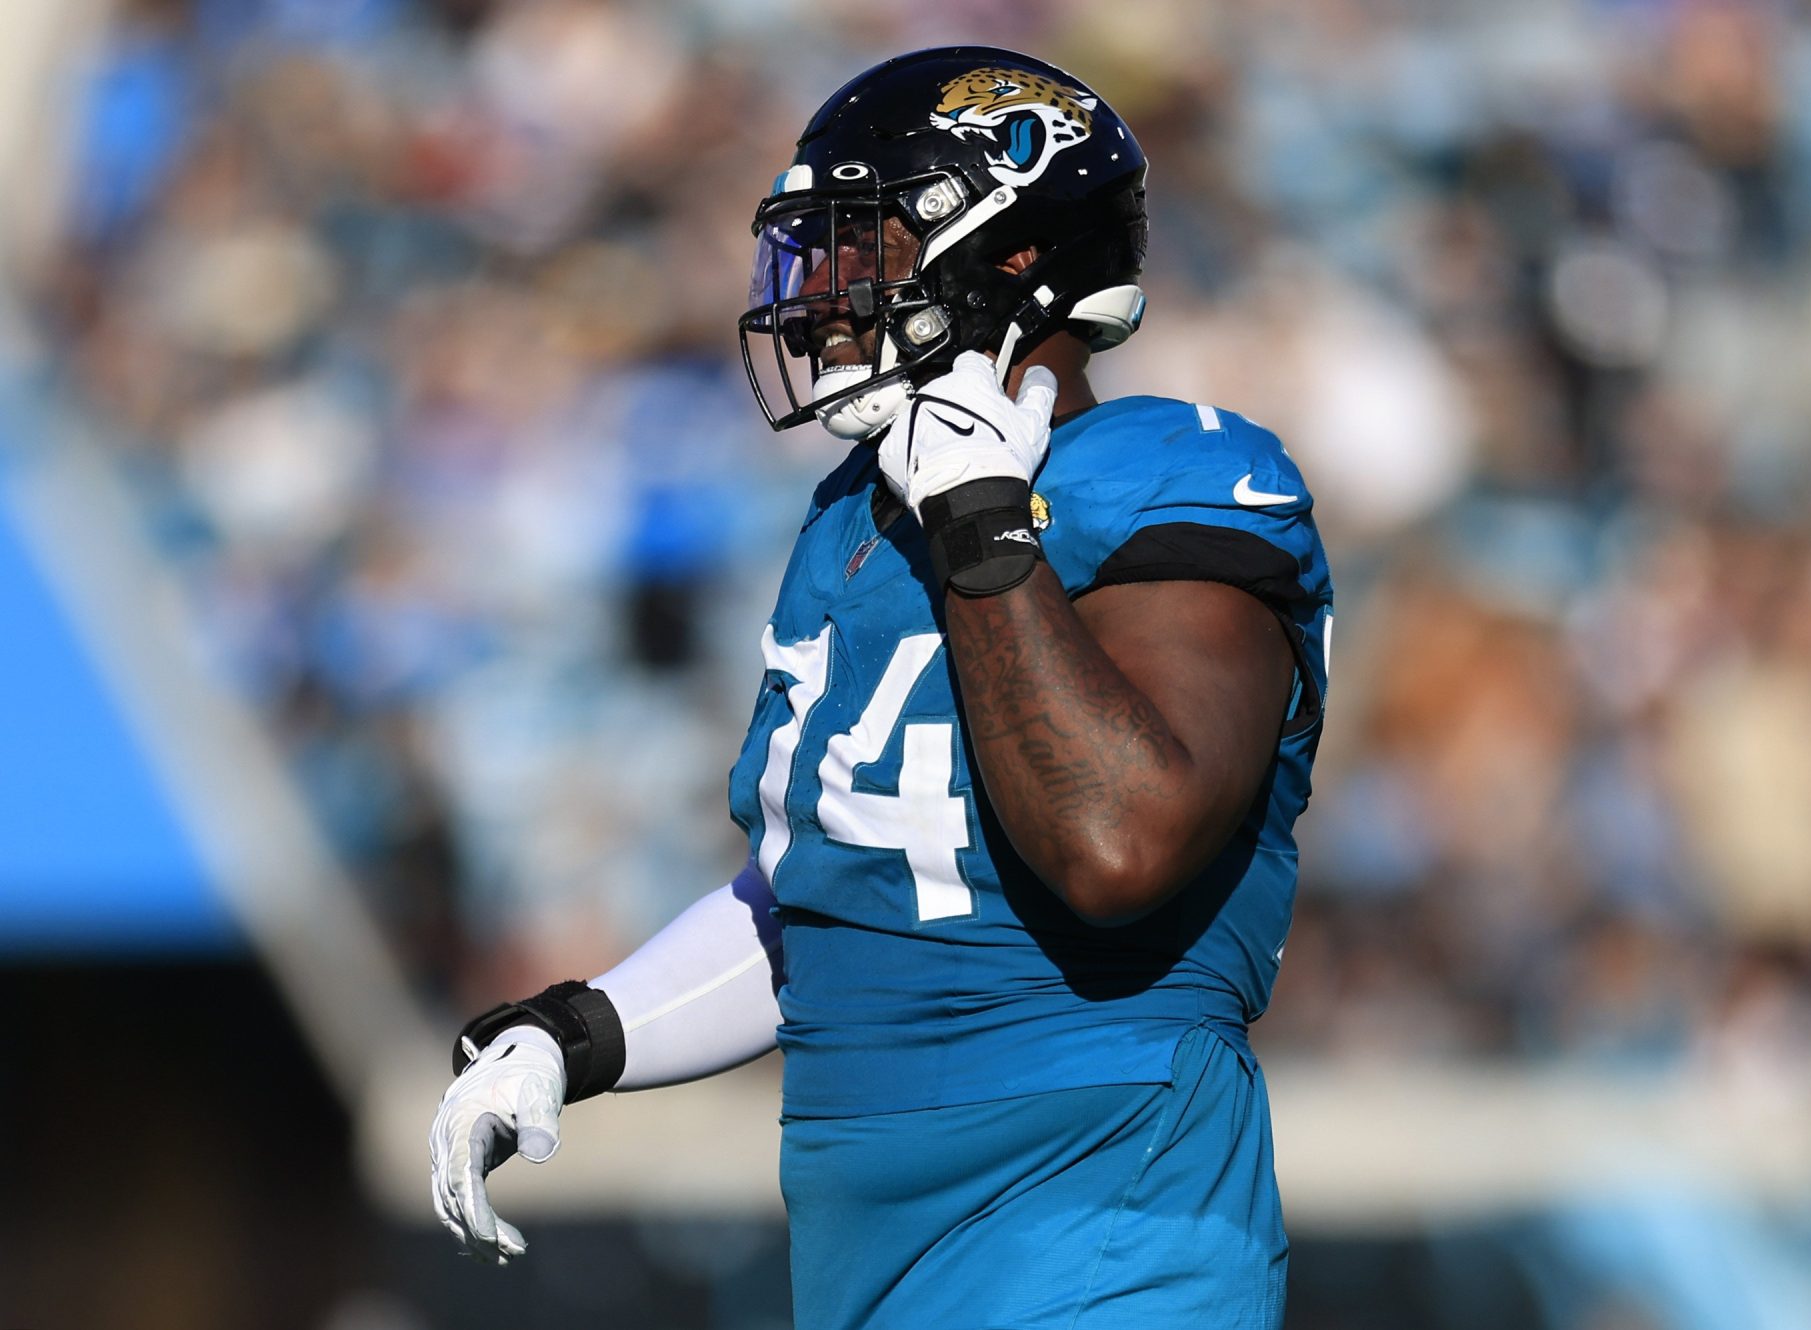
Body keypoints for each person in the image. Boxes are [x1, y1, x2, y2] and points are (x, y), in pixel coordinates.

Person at [429, 45, 1332, 1329]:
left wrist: (984, 534)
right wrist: (578, 1034)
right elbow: (824, 893)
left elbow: (1116, 838)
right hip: (874, 1256)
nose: (827, 293)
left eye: (872, 248)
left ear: (1013, 259)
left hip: (1104, 1222)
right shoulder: (850, 524)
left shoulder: (1169, 472)